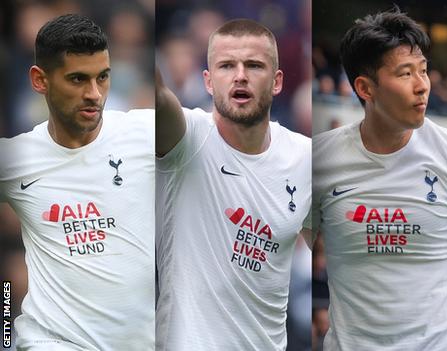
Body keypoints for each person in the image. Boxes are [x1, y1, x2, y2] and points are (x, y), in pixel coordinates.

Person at [312, 8, 447, 350]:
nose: (422, 86)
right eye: (405, 73)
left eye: (424, 70)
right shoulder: (318, 160)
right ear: (365, 88)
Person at [0, 14, 155, 350]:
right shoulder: (15, 158)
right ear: (40, 80)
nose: (94, 94)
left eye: (103, 78)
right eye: (78, 79)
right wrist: (5, 304)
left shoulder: (145, 134)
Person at [155, 19, 311, 350]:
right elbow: (158, 96)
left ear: (277, 82)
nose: (240, 75)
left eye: (254, 65)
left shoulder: (304, 158)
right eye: (227, 66)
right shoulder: (185, 138)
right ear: (208, 82)